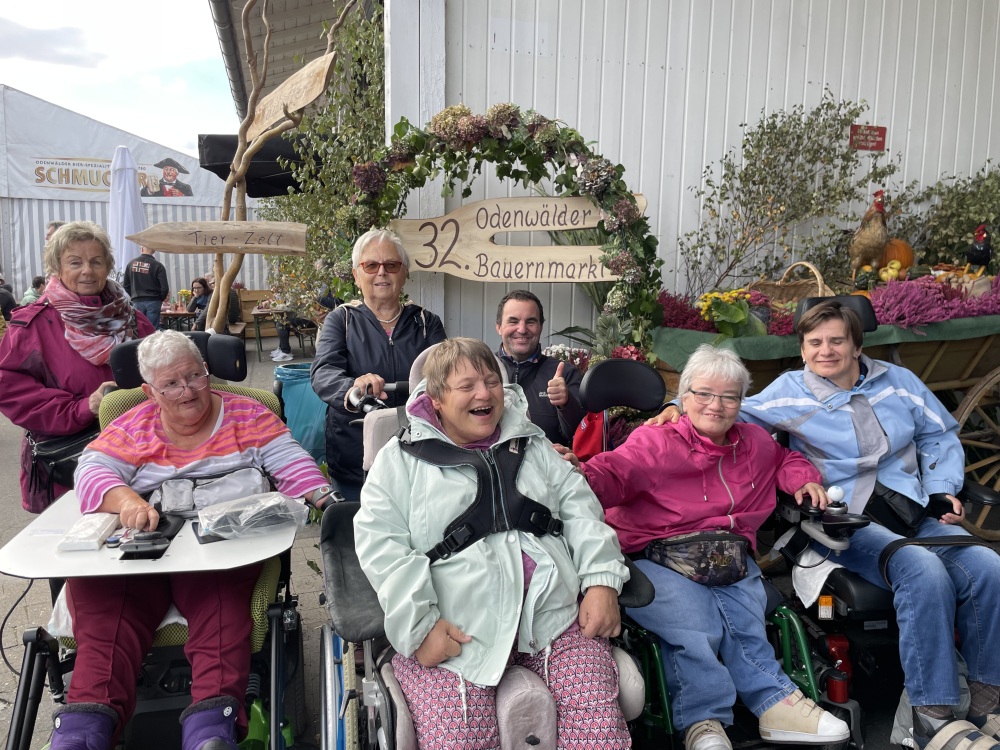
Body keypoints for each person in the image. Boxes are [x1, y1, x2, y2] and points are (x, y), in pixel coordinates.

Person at [652, 300, 1000, 746]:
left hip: (914, 509)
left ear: (857, 346)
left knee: (987, 566)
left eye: (837, 340)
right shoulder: (790, 390)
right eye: (814, 342)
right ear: (802, 350)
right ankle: (928, 715)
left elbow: (939, 433)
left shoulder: (901, 384)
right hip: (847, 520)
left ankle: (986, 703)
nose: (825, 350)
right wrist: (676, 405)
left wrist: (943, 486)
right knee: (923, 569)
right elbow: (726, 405)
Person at [53, 330, 334, 750]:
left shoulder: (249, 415)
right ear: (149, 391)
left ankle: (209, 734)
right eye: (170, 383)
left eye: (195, 376)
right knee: (106, 618)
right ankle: (81, 736)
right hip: (143, 548)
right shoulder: (131, 426)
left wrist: (325, 500)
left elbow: (291, 462)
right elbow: (91, 474)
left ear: (208, 373)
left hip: (216, 550)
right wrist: (126, 499)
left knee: (221, 612)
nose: (187, 390)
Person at [355, 337, 632, 748]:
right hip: (458, 630)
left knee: (599, 732)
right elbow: (383, 548)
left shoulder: (533, 444)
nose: (484, 394)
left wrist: (602, 580)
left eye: (491, 382)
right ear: (436, 398)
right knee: (459, 739)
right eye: (466, 386)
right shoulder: (399, 461)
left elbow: (581, 512)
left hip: (553, 619)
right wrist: (420, 628)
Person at [572, 345, 849, 750]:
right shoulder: (656, 441)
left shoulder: (754, 441)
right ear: (683, 398)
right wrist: (577, 472)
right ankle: (709, 720)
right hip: (657, 552)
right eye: (703, 394)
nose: (715, 406)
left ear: (741, 401)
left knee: (743, 617)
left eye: (728, 396)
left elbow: (785, 460)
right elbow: (614, 472)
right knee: (694, 622)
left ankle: (773, 706)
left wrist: (802, 480)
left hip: (727, 556)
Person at [0, 221, 155, 514]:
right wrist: (85, 407)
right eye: (75, 262)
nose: (87, 270)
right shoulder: (32, 326)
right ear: (57, 267)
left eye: (96, 261)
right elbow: (11, 390)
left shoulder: (131, 318)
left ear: (108, 266)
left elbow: (161, 369)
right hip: (69, 464)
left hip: (139, 455)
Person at [311, 228, 445, 501]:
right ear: (356, 275)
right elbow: (324, 372)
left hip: (420, 453)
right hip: (356, 457)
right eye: (371, 265)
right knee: (357, 537)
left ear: (404, 273)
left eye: (391, 265)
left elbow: (446, 373)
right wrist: (352, 388)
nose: (381, 272)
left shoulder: (425, 322)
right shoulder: (341, 320)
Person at [495, 289, 584, 445]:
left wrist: (566, 404)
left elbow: (579, 436)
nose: (522, 329)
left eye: (530, 321)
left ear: (541, 326)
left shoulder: (565, 374)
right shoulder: (482, 371)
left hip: (547, 467)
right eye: (513, 321)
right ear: (499, 327)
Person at [122, 246, 169, 330]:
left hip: (137, 301)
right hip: (154, 301)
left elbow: (126, 285)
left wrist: (134, 295)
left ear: (142, 249)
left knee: (139, 329)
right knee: (151, 330)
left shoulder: (131, 264)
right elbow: (164, 288)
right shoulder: (158, 266)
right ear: (153, 251)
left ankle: (140, 343)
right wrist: (159, 299)